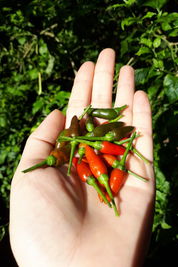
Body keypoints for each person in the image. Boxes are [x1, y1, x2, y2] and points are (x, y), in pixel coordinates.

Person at [9, 48, 155, 267]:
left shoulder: (84, 144)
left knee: (105, 157)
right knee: (103, 165)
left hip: (98, 155)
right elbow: (82, 149)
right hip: (95, 160)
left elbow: (88, 145)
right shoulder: (75, 151)